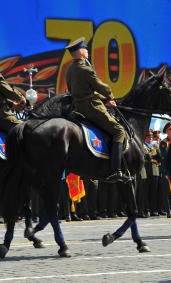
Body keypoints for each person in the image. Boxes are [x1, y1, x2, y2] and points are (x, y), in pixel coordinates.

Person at [65, 37, 130, 183]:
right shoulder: (85, 68)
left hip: (78, 107)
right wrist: (110, 97)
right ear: (80, 52)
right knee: (119, 131)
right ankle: (116, 170)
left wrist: (104, 99)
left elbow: (75, 90)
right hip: (92, 107)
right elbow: (100, 86)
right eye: (85, 48)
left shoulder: (70, 69)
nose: (87, 51)